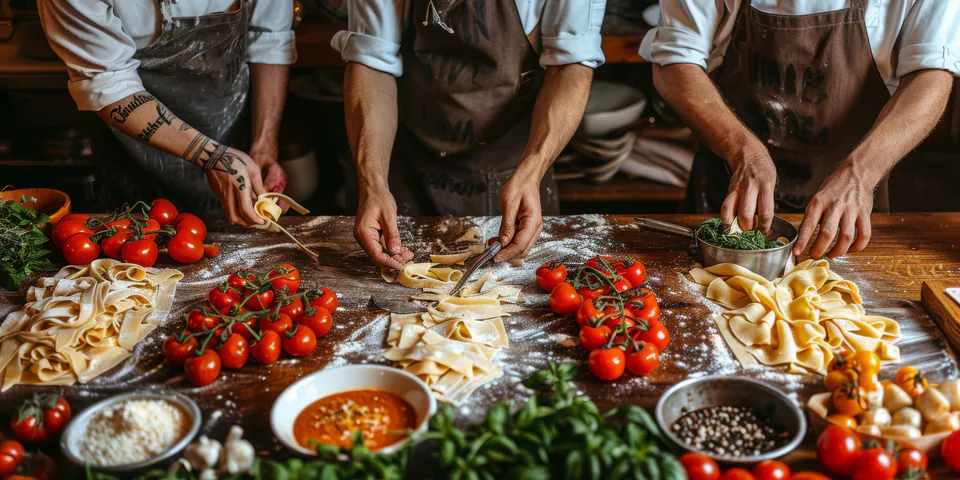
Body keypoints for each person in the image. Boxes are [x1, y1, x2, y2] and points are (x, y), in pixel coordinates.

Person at [640, 0, 958, 258]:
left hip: (849, 209)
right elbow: (675, 62)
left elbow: (930, 77)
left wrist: (860, 173)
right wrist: (741, 150)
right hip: (725, 198)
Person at [332, 0, 605, 268]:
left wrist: (532, 172)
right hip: (401, 153)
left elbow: (571, 64)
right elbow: (372, 61)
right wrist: (374, 184)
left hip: (512, 162)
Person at [38, 0, 297, 225]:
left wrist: (264, 146)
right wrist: (212, 155)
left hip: (235, 127)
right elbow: (108, 83)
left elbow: (270, 41)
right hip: (134, 152)